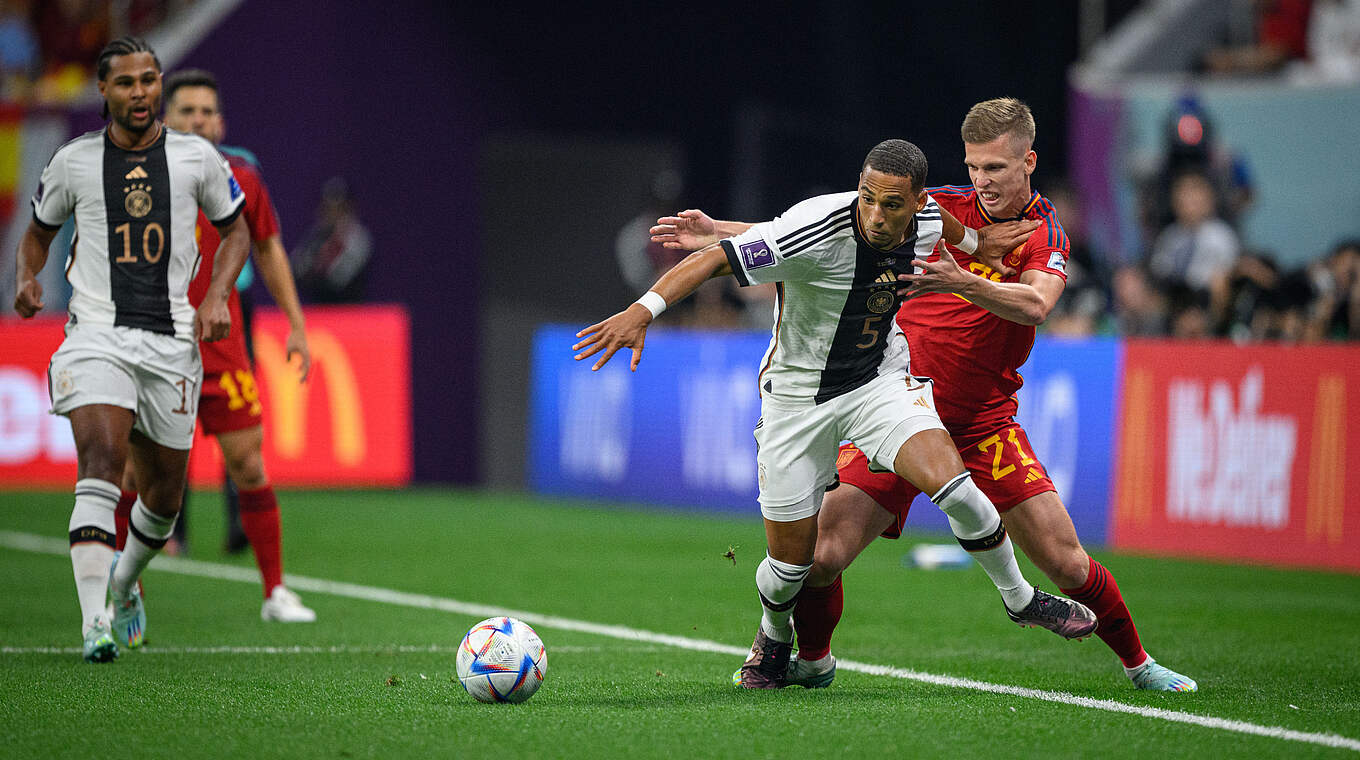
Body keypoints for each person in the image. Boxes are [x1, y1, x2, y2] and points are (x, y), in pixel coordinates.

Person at [656, 99, 1197, 692]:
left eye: (996, 168)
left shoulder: (1043, 235)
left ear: (1029, 162)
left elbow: (1038, 304)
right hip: (890, 406)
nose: (982, 181)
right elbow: (825, 231)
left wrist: (962, 280)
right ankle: (811, 660)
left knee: (1067, 562)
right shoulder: (931, 207)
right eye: (974, 167)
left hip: (982, 424)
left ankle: (1140, 666)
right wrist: (721, 233)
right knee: (824, 554)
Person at [578, 138, 1097, 690]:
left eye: (892, 205)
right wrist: (642, 311)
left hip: (880, 383)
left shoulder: (922, 218)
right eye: (867, 199)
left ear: (916, 201)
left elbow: (941, 224)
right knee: (790, 570)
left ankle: (1019, 598)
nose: (876, 215)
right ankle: (775, 637)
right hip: (797, 402)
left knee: (955, 483)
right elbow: (714, 260)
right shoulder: (817, 228)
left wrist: (976, 242)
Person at [12, 37, 250, 661]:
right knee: (102, 459)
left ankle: (122, 582)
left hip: (172, 342)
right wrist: (27, 277)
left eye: (149, 80)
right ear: (104, 91)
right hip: (97, 335)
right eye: (126, 82)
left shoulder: (197, 159)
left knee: (164, 499)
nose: (139, 92)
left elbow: (236, 231)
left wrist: (218, 295)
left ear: (159, 85)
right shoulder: (73, 162)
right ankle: (94, 623)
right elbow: (36, 235)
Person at [107, 68, 317, 622]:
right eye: (187, 111)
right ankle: (126, 590)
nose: (198, 120)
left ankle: (275, 591)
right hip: (151, 342)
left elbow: (268, 249)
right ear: (164, 118)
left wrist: (296, 324)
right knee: (138, 477)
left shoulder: (243, 176)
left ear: (220, 122)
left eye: (207, 112)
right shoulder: (132, 174)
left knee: (249, 463)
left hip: (222, 344)